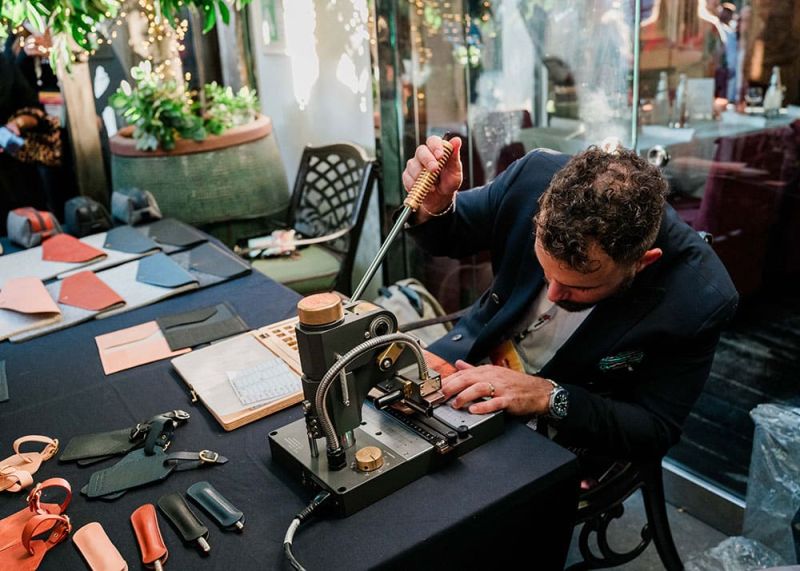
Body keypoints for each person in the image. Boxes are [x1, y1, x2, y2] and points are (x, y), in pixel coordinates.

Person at [402, 136, 738, 463]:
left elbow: (654, 430)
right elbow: (453, 232)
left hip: (567, 427)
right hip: (470, 356)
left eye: (581, 288)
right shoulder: (533, 178)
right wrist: (435, 205)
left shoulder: (698, 296)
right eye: (546, 272)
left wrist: (548, 396)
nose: (553, 294)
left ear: (641, 263)